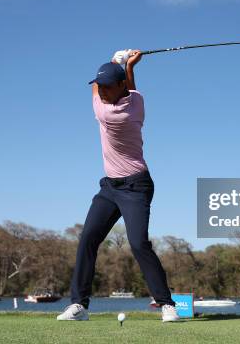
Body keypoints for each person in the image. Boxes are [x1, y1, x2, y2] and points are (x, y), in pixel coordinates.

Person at [57, 50, 179, 322]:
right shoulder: (137, 102)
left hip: (136, 186)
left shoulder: (108, 114)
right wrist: (128, 67)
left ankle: (167, 304)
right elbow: (131, 90)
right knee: (88, 237)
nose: (100, 92)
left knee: (138, 244)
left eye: (107, 87)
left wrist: (117, 60)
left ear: (120, 86)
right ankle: (79, 305)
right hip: (110, 188)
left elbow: (119, 90)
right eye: (99, 86)